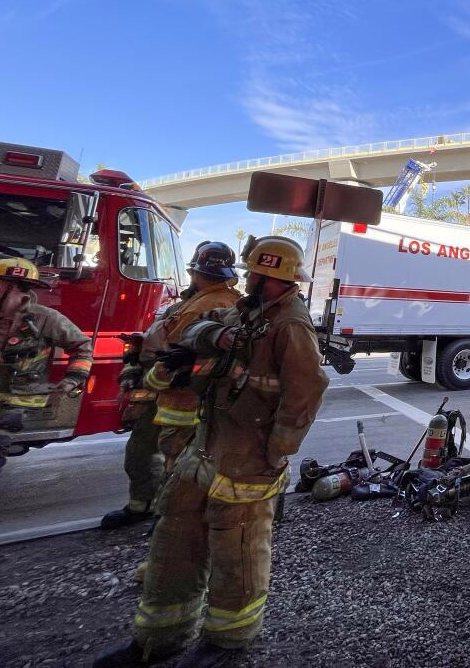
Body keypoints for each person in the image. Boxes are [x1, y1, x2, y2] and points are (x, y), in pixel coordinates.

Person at [95, 236, 329, 668]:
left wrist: (276, 453)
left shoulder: (290, 325)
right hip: (205, 447)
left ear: (274, 279)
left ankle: (227, 643)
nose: (248, 280)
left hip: (247, 458)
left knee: (236, 551)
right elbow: (196, 331)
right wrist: (219, 335)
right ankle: (158, 637)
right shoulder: (246, 312)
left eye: (256, 274)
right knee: (174, 537)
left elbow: (305, 394)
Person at [101, 242, 243, 529]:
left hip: (183, 397)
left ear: (195, 270)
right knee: (144, 453)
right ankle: (145, 507)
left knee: (176, 462)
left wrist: (149, 373)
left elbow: (180, 351)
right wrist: (139, 351)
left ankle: (167, 519)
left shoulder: (210, 304)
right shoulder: (192, 301)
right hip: (164, 391)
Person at [0, 255, 92, 500]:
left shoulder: (45, 319)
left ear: (13, 287)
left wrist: (72, 379)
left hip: (14, 399)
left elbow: (83, 347)